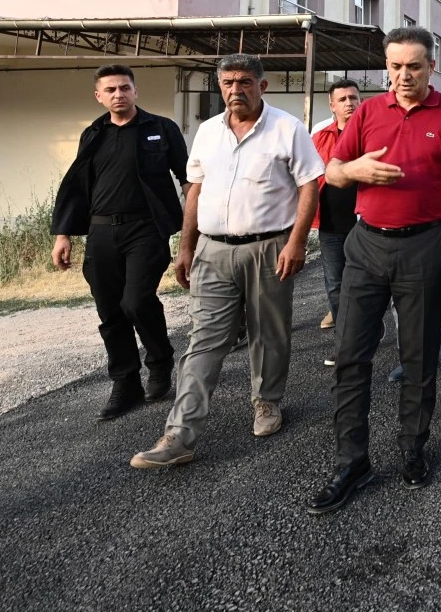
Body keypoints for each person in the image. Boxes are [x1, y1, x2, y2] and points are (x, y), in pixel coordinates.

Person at [307, 28, 441, 515]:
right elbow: (334, 171)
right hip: (366, 244)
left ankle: (413, 447)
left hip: (425, 245)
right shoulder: (367, 112)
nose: (404, 76)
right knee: (350, 355)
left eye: (414, 66)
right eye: (396, 66)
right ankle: (352, 461)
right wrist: (354, 171)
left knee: (419, 356)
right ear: (387, 66)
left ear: (431, 67)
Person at [131, 54, 323, 469]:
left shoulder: (287, 128)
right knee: (203, 340)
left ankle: (267, 401)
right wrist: (186, 246)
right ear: (220, 87)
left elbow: (309, 187)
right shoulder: (207, 132)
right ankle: (179, 435)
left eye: (245, 82)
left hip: (269, 247)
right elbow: (195, 191)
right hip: (212, 250)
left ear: (262, 85)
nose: (236, 90)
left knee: (268, 333)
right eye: (228, 83)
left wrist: (297, 242)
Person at [51, 65, 187, 420]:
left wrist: (194, 229)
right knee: (110, 311)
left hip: (147, 229)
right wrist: (63, 234)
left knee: (137, 301)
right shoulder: (93, 134)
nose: (118, 94)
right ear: (99, 96)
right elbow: (77, 186)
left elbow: (188, 178)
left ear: (135, 91)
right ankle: (125, 383)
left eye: (124, 87)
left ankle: (160, 361)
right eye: (110, 90)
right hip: (101, 233)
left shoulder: (161, 129)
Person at [311, 79, 361, 366]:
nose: (349, 103)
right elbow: (308, 178)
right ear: (332, 105)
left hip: (364, 224)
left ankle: (364, 329)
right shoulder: (319, 138)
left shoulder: (371, 135)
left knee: (366, 282)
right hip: (330, 224)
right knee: (335, 285)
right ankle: (345, 342)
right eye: (342, 99)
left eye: (353, 98)